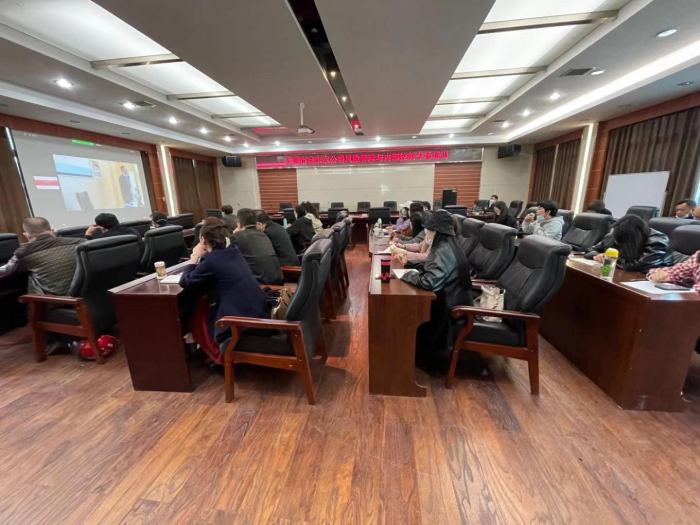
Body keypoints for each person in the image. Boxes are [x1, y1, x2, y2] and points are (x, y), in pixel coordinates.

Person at [180, 218, 269, 364]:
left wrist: (194, 257)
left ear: (202, 240)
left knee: (197, 312)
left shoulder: (211, 260)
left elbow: (185, 281)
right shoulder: (233, 250)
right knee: (203, 303)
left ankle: (216, 355)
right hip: (256, 312)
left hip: (241, 323)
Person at [399, 210, 473, 370]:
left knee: (410, 310)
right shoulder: (449, 245)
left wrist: (405, 274)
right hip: (453, 300)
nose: (427, 233)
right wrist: (409, 263)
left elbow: (429, 282)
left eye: (430, 230)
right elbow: (431, 267)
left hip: (450, 311)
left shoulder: (441, 251)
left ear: (437, 232)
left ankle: (411, 356)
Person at [5, 217, 83, 296]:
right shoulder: (80, 242)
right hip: (86, 295)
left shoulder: (24, 252)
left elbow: (6, 270)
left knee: (31, 276)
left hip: (57, 299)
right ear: (52, 231)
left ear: (27, 235)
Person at [584, 214, 672, 272]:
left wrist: (611, 258)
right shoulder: (615, 235)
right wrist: (597, 255)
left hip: (648, 281)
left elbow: (638, 266)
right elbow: (590, 250)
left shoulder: (657, 240)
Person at [232, 208, 283, 285]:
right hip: (277, 279)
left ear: (239, 224)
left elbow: (227, 258)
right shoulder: (263, 234)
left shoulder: (237, 236)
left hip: (260, 282)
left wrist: (233, 234)